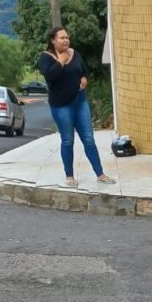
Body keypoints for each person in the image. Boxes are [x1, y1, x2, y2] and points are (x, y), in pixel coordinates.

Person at [38, 26, 116, 188]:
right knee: (67, 140)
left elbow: (83, 70)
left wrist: (84, 78)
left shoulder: (75, 53)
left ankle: (100, 174)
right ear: (53, 40)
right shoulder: (46, 58)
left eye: (67, 37)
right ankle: (70, 176)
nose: (66, 40)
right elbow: (51, 76)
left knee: (88, 138)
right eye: (62, 38)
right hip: (61, 105)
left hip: (80, 102)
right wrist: (60, 61)